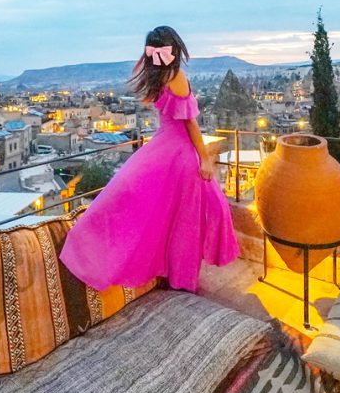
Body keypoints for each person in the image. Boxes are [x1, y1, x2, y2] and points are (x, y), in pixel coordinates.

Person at [60, 25, 240, 293]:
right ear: (174, 47)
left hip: (164, 148)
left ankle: (92, 249)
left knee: (158, 211)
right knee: (189, 221)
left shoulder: (157, 76)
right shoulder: (175, 75)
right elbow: (190, 124)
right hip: (180, 153)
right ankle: (181, 279)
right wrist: (204, 159)